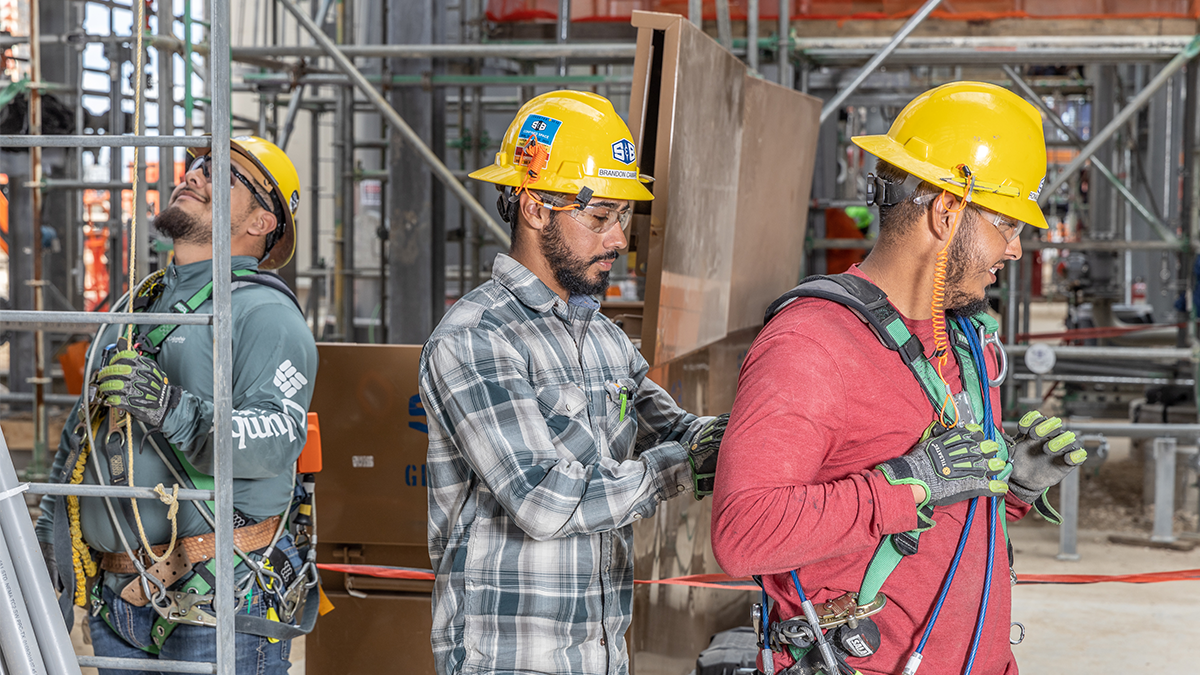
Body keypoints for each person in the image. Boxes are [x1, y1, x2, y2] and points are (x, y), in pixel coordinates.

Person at [711, 82, 1086, 675]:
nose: (1016, 250)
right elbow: (744, 533)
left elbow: (939, 520)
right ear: (946, 210)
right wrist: (907, 483)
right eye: (1007, 224)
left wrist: (1009, 490)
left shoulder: (963, 342)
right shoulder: (811, 345)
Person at [418, 90, 726, 675]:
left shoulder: (604, 338)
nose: (618, 240)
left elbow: (679, 430)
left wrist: (767, 432)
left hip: (600, 655)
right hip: (511, 660)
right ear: (535, 208)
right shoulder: (477, 338)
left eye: (623, 217)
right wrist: (681, 466)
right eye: (600, 217)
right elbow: (541, 501)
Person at [36, 136, 317, 674]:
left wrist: (171, 408)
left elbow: (277, 441)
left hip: (219, 602)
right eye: (197, 165)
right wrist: (51, 532)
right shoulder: (141, 305)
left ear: (261, 222)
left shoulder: (264, 317)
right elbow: (85, 435)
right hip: (119, 602)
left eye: (221, 174)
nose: (194, 174)